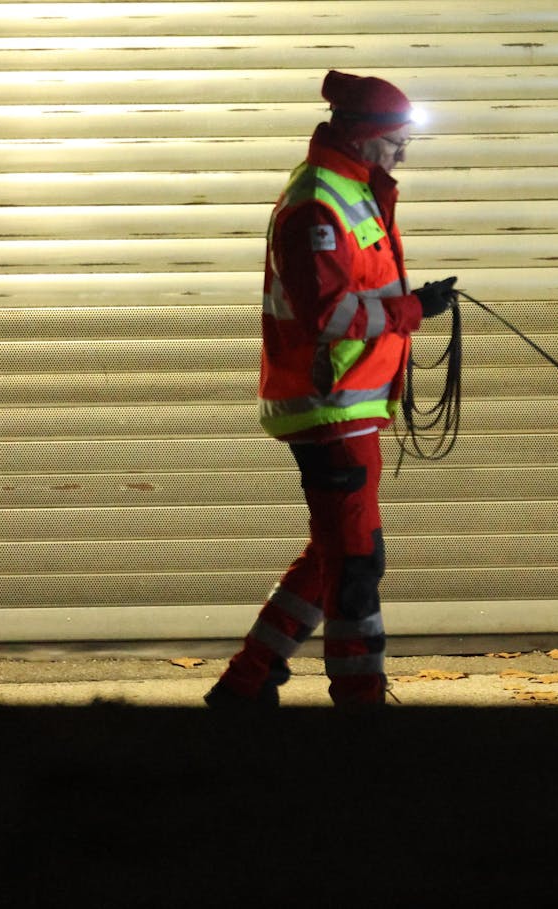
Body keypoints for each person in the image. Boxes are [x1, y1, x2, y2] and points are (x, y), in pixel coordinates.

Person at [206, 70, 457, 708]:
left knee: (331, 556)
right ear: (367, 137)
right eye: (397, 141)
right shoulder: (320, 201)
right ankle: (360, 708)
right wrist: (410, 312)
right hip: (329, 406)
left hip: (351, 405)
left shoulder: (352, 188)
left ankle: (248, 680)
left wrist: (410, 305)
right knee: (357, 566)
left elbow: (352, 292)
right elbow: (326, 314)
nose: (403, 153)